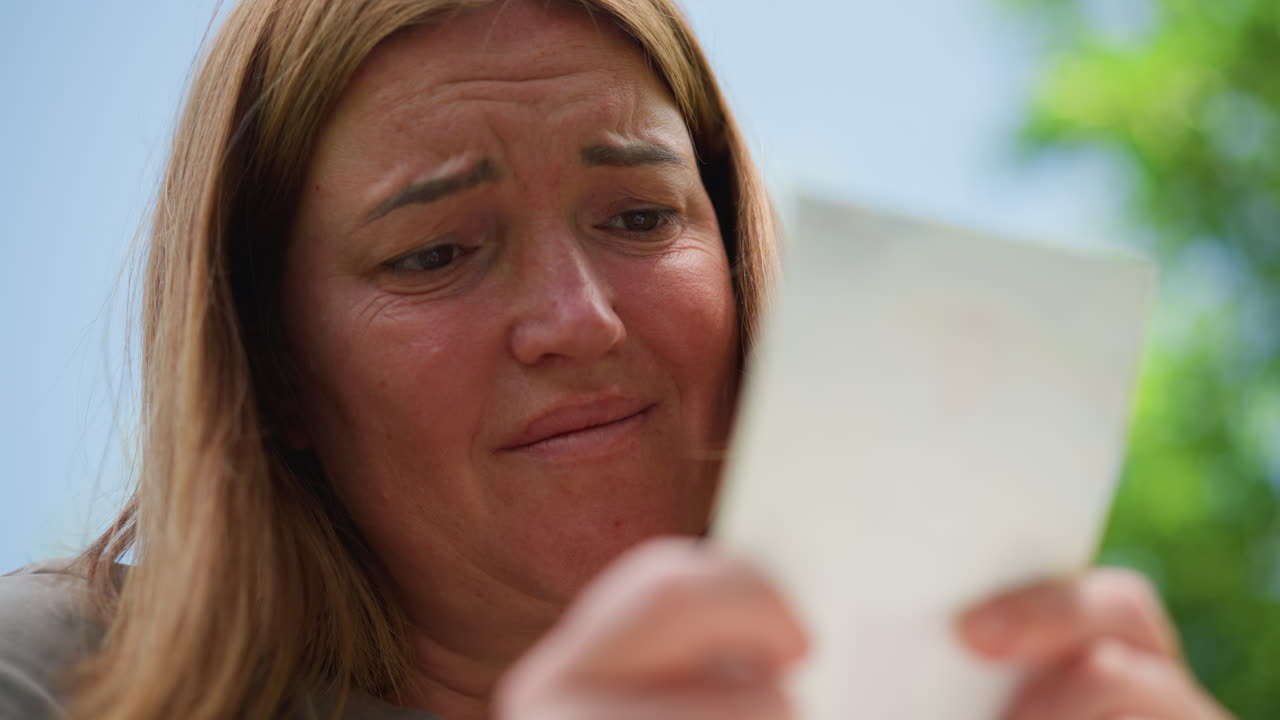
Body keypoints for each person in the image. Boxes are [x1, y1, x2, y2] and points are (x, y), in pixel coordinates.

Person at [0, 0, 1232, 718]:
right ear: (272, 374)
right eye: (435, 253)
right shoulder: (52, 676)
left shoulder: (946, 687)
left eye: (640, 218)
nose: (577, 320)